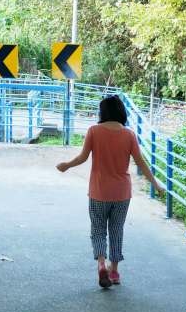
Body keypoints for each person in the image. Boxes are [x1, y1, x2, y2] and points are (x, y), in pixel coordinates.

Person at [56, 95, 164, 288]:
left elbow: (82, 158)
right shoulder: (129, 134)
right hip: (122, 193)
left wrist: (66, 165)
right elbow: (141, 163)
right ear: (121, 112)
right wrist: (156, 184)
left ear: (103, 112)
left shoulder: (94, 131)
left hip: (99, 191)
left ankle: (100, 264)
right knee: (116, 230)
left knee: (98, 230)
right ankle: (114, 271)